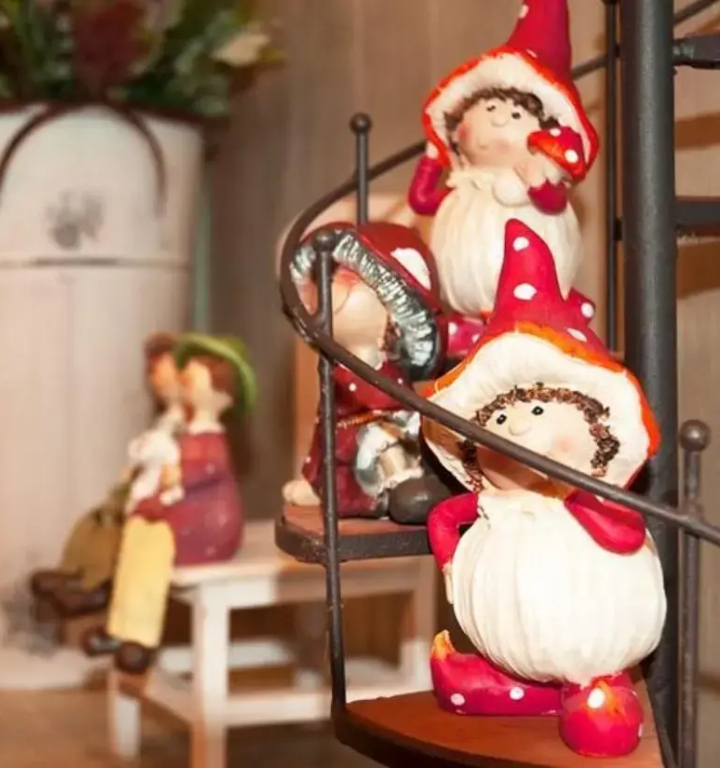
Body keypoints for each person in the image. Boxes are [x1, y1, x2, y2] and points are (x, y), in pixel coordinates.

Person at [422, 220, 664, 758]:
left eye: (534, 411)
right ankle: (519, 686)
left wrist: (576, 493)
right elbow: (443, 517)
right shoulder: (494, 504)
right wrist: (451, 563)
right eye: (498, 417)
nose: (514, 426)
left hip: (594, 646)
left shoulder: (587, 500)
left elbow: (624, 534)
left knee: (601, 721)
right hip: (507, 645)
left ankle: (591, 692)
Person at [408, 0, 599, 360]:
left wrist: (539, 184)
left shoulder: (530, 176)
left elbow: (554, 202)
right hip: (464, 306)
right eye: (490, 109)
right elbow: (421, 200)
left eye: (515, 114)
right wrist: (432, 160)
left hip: (530, 306)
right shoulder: (464, 185)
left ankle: (534, 319)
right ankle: (471, 329)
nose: (498, 120)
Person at [82, 333, 255, 674]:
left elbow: (207, 468)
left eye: (195, 376)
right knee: (136, 530)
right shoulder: (190, 431)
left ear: (222, 393)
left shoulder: (211, 437)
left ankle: (141, 636)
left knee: (153, 548)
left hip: (208, 528)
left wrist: (176, 475)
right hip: (188, 516)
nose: (184, 379)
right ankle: (120, 625)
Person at [282, 222, 449, 523]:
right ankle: (324, 487)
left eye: (347, 280)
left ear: (392, 315)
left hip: (379, 434)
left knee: (383, 446)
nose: (331, 288)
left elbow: (397, 410)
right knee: (330, 444)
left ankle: (398, 483)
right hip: (343, 438)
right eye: (329, 279)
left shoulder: (383, 369)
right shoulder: (334, 369)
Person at [30, 332, 184, 618]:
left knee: (116, 532)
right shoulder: (166, 420)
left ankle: (99, 587)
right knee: (94, 521)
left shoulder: (187, 423)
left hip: (167, 498)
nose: (156, 381)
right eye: (152, 373)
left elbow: (174, 464)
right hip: (146, 486)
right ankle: (74, 572)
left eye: (163, 372)